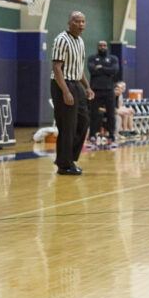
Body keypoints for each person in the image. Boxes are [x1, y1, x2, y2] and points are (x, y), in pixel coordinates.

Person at [51, 11, 93, 176]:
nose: (81, 24)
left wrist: (87, 87)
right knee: (67, 126)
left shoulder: (81, 41)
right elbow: (56, 68)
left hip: (76, 84)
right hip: (63, 84)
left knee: (83, 122)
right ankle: (64, 165)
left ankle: (69, 159)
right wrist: (65, 91)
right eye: (77, 21)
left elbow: (79, 69)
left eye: (83, 21)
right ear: (69, 23)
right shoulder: (61, 40)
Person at [88, 40, 121, 148]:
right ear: (97, 47)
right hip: (96, 90)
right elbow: (92, 70)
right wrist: (107, 70)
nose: (102, 47)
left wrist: (101, 68)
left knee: (111, 114)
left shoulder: (113, 58)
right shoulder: (92, 58)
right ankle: (92, 136)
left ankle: (111, 137)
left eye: (104, 45)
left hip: (109, 90)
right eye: (100, 45)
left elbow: (114, 70)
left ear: (107, 47)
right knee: (94, 114)